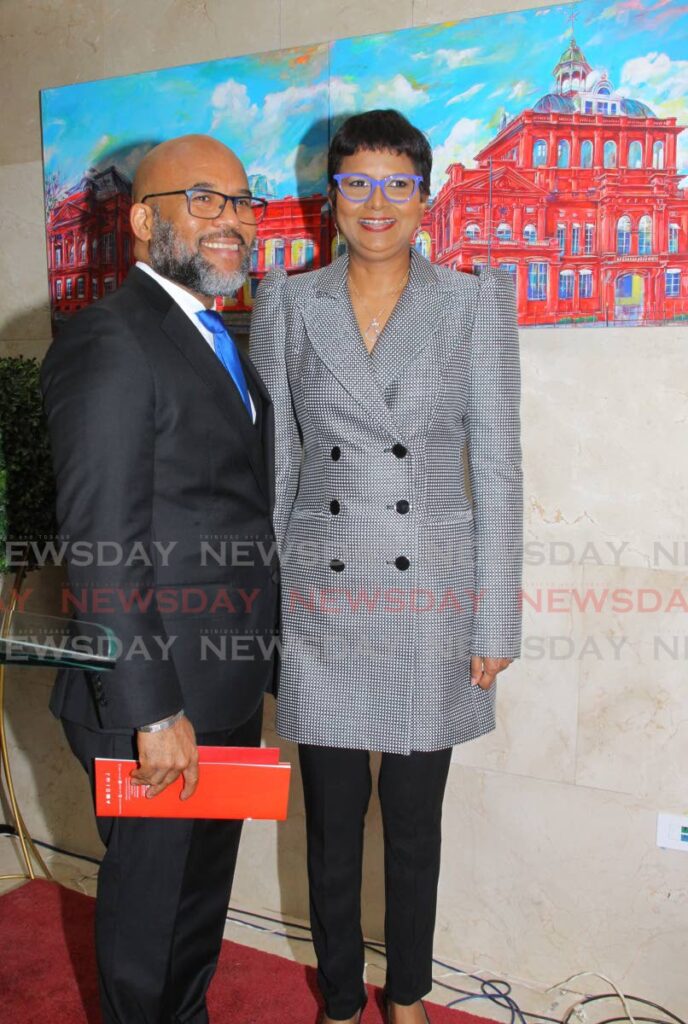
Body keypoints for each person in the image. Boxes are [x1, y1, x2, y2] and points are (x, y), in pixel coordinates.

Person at [250, 109, 523, 1024]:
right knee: (329, 830)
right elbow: (280, 464)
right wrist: (269, 611)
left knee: (412, 827)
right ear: (331, 197)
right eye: (357, 182)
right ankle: (335, 1000)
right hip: (321, 599)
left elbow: (499, 468)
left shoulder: (475, 303)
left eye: (397, 183)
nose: (378, 202)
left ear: (425, 195)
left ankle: (407, 997)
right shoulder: (288, 303)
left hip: (431, 603)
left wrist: (495, 624)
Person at [41, 134, 278, 1024]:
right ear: (145, 220)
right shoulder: (110, 341)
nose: (233, 221)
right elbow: (102, 537)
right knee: (149, 924)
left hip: (217, 682)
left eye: (243, 203)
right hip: (151, 700)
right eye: (205, 200)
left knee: (195, 907)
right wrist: (153, 711)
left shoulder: (214, 336)